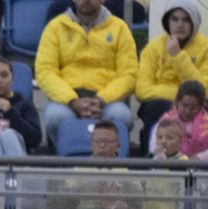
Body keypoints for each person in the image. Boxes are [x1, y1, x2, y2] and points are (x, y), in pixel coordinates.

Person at [35, 0, 138, 147]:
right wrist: (72, 100)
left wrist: (101, 100)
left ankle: (112, 163)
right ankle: (67, 163)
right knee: (56, 117)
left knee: (121, 116)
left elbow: (129, 74)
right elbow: (45, 71)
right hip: (67, 99)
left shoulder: (120, 28)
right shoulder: (55, 27)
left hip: (106, 99)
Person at [136, 5, 206, 145]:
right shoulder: (153, 47)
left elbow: (204, 90)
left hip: (197, 104)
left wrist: (177, 56)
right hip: (162, 102)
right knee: (155, 107)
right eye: (175, 19)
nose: (180, 25)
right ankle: (152, 161)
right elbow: (142, 90)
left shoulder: (205, 47)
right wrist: (179, 98)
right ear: (167, 22)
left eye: (186, 20)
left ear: (194, 23)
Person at [160, 79, 208, 158]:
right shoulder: (167, 120)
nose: (188, 111)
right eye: (184, 105)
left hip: (202, 166)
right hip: (172, 164)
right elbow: (156, 146)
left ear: (201, 106)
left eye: (193, 108)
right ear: (177, 102)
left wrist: (199, 157)